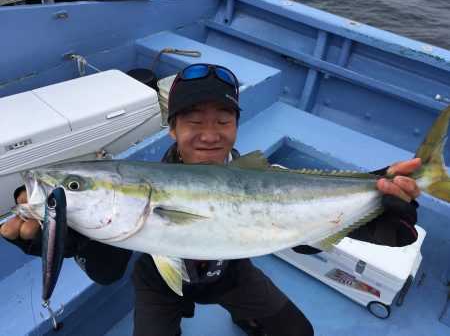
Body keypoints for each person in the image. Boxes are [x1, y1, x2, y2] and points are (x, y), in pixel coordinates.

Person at [0, 63, 421, 336]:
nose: (209, 133)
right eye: (193, 121)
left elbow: (304, 235)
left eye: (223, 120)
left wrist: (383, 210)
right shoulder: (137, 192)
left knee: (299, 333)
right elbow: (109, 268)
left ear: (237, 127)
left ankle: (246, 316)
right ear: (171, 129)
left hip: (231, 273)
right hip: (159, 281)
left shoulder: (266, 180)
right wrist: (69, 240)